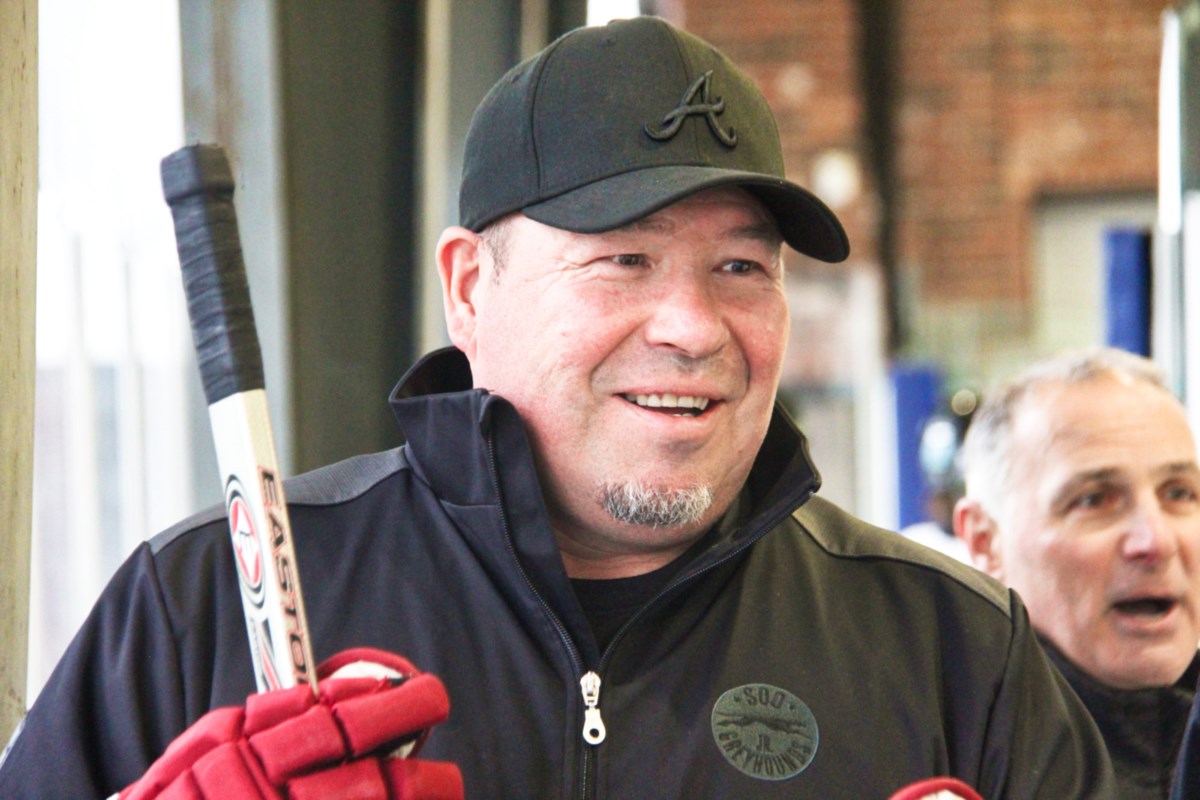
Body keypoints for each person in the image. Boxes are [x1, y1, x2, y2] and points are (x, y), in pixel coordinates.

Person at [0, 16, 1114, 799]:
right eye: (623, 259)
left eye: (741, 267)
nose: (691, 325)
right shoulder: (198, 610)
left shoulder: (954, 650)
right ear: (472, 288)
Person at [953, 347, 1200, 800]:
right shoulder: (938, 759)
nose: (1156, 541)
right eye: (1094, 500)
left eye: (1180, 493)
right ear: (986, 541)